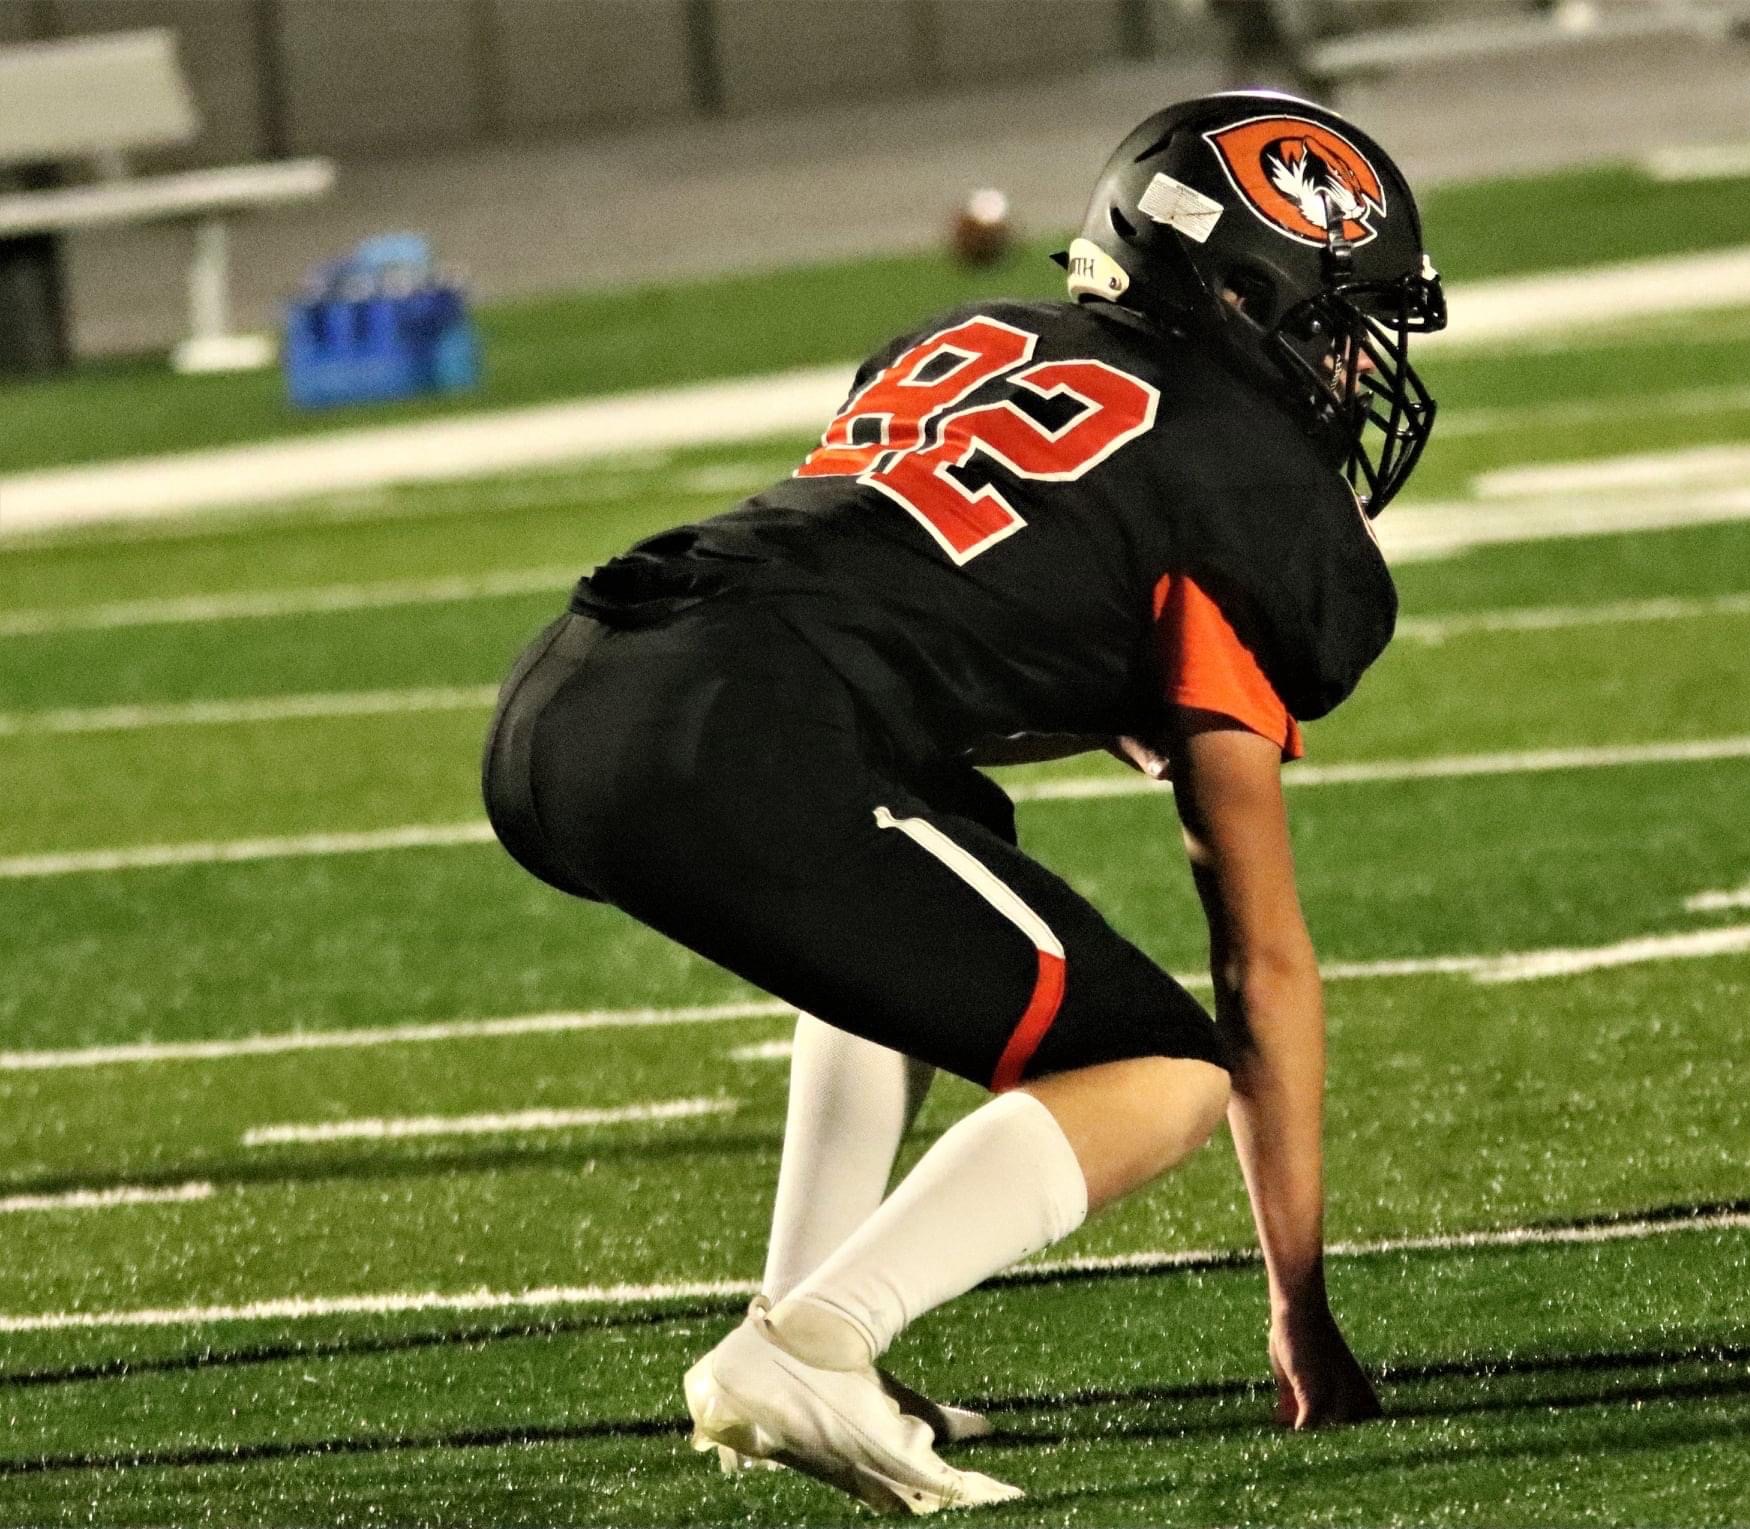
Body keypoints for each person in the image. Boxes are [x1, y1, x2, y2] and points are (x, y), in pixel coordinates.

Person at [481, 91, 1445, 1514]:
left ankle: (798, 1312)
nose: (1355, 370)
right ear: (1243, 293)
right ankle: (816, 1341)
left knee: (943, 829)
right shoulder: (1245, 482)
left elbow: (939, 586)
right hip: (734, 735)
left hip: (572, 685)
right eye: (1336, 322)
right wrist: (1297, 1304)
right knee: (1157, 1069)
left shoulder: (965, 339)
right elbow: (1260, 954)